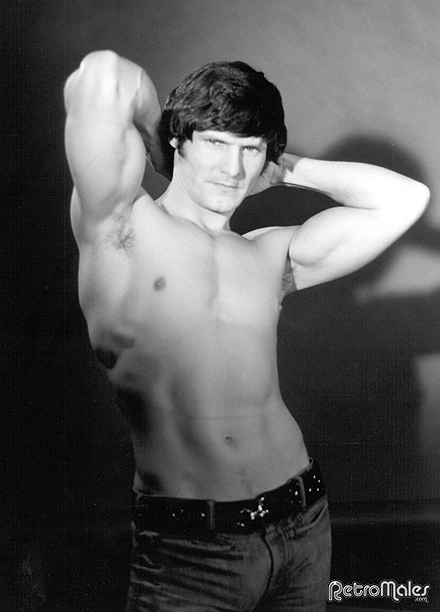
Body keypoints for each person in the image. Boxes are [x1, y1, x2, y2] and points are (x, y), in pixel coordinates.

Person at [64, 50, 430, 612]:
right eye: (215, 142)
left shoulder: (268, 254)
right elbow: (102, 75)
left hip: (302, 524)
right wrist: (162, 145)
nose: (232, 170)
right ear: (180, 139)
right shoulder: (120, 227)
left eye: (250, 149)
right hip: (192, 552)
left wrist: (285, 168)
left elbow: (407, 200)